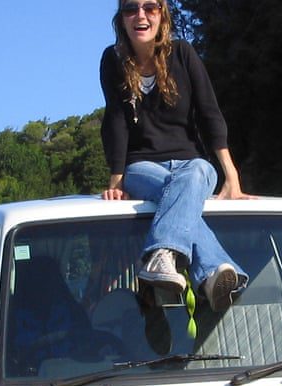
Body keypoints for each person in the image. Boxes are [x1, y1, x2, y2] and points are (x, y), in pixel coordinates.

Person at [99, 0, 253, 312]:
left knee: (195, 173)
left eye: (150, 7)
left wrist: (231, 175)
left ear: (162, 14)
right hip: (141, 166)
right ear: (121, 18)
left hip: (192, 163)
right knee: (182, 190)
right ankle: (213, 270)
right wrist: (116, 179)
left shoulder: (183, 53)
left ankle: (162, 254)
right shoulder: (113, 60)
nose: (140, 15)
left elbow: (209, 112)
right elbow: (116, 120)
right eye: (131, 8)